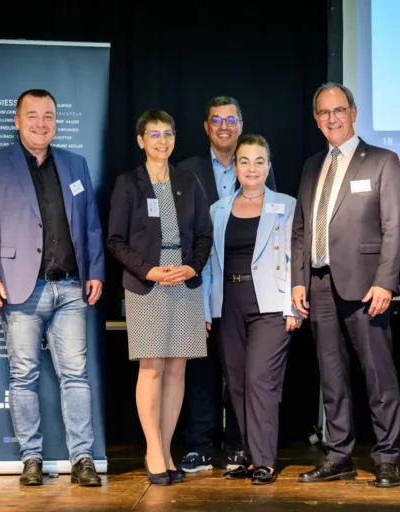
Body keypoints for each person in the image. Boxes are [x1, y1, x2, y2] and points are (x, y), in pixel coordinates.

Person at [0, 88, 104, 487]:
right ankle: (31, 457)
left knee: (75, 376)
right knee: (23, 375)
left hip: (71, 288)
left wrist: (94, 270)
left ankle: (82, 458)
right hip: (19, 288)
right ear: (17, 120)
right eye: (32, 115)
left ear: (55, 121)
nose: (40, 123)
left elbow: (92, 225)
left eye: (48, 115)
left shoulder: (75, 164)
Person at [290, 82, 400, 488]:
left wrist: (385, 282)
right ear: (316, 120)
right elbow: (301, 229)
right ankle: (339, 455)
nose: (332, 118)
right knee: (332, 376)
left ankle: (387, 456)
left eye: (339, 110)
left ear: (354, 113)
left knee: (378, 374)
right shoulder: (310, 166)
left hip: (366, 287)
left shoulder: (382, 161)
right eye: (324, 113)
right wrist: (298, 281)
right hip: (319, 287)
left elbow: (395, 228)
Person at [106, 109, 213, 486]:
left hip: (183, 280)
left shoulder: (189, 181)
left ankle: (167, 449)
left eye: (167, 133)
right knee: (151, 367)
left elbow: (204, 235)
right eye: (153, 134)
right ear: (141, 140)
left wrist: (193, 267)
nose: (161, 141)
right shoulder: (128, 183)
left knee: (177, 368)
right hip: (147, 281)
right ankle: (153, 449)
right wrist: (148, 270)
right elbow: (115, 241)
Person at [175, 96, 276, 472]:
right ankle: (199, 445)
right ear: (206, 127)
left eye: (231, 120)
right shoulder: (185, 170)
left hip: (248, 291)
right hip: (196, 284)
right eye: (216, 120)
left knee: (243, 373)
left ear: (240, 124)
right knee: (201, 370)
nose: (223, 126)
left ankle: (239, 445)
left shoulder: (258, 167)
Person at [201, 134, 302, 485]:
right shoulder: (218, 209)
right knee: (236, 384)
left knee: (261, 379)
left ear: (269, 165)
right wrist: (204, 310)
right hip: (227, 302)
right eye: (244, 161)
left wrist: (294, 305)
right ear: (235, 167)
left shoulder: (287, 205)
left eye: (259, 161)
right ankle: (245, 453)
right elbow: (208, 264)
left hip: (271, 304)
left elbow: (295, 258)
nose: (252, 168)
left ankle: (264, 460)